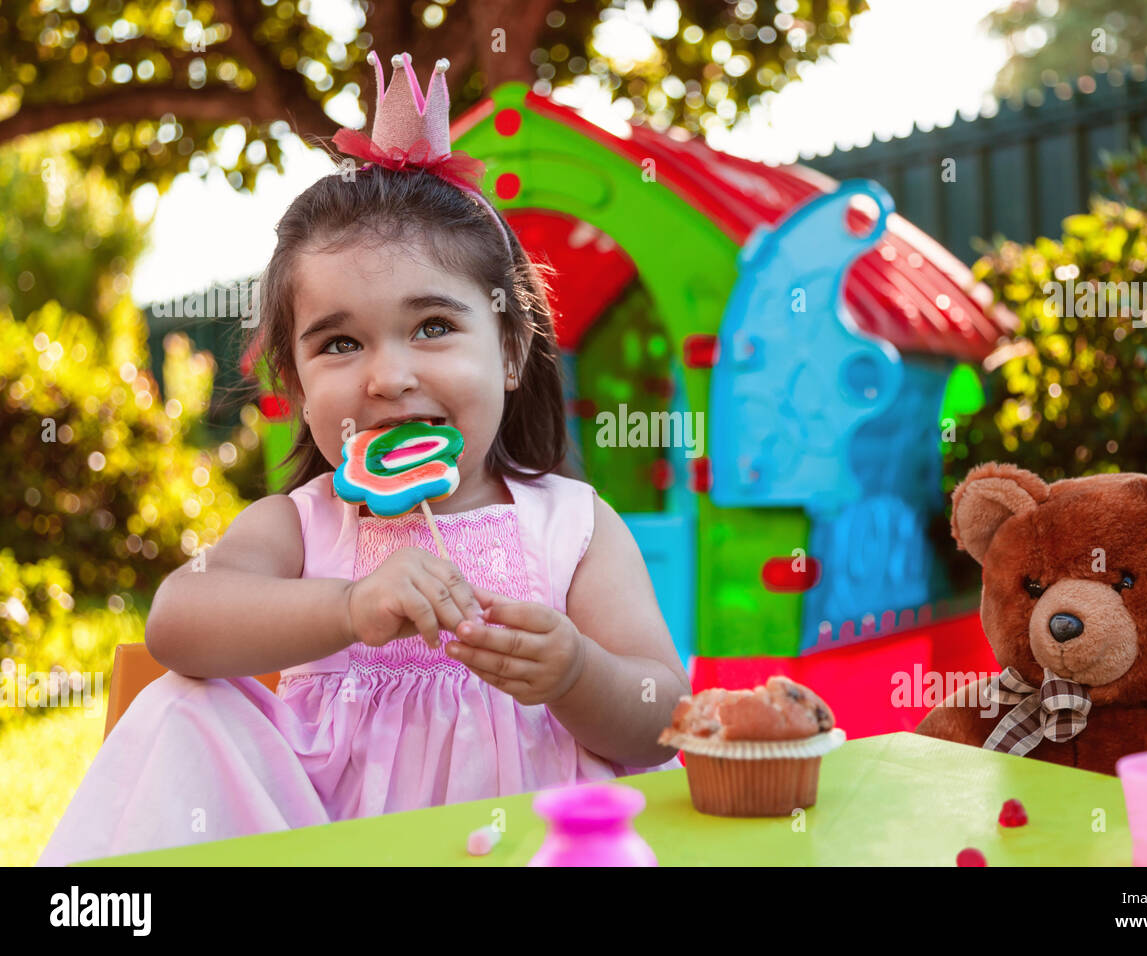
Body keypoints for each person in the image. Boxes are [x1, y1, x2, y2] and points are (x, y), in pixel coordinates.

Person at [37, 52, 688, 867]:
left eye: (433, 327)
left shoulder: (571, 526)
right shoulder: (303, 529)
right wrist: (347, 608)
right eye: (340, 343)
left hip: (530, 849)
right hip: (332, 846)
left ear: (513, 350)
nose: (389, 377)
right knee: (185, 702)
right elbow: (176, 623)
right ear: (297, 384)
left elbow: (664, 716)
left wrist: (575, 672)